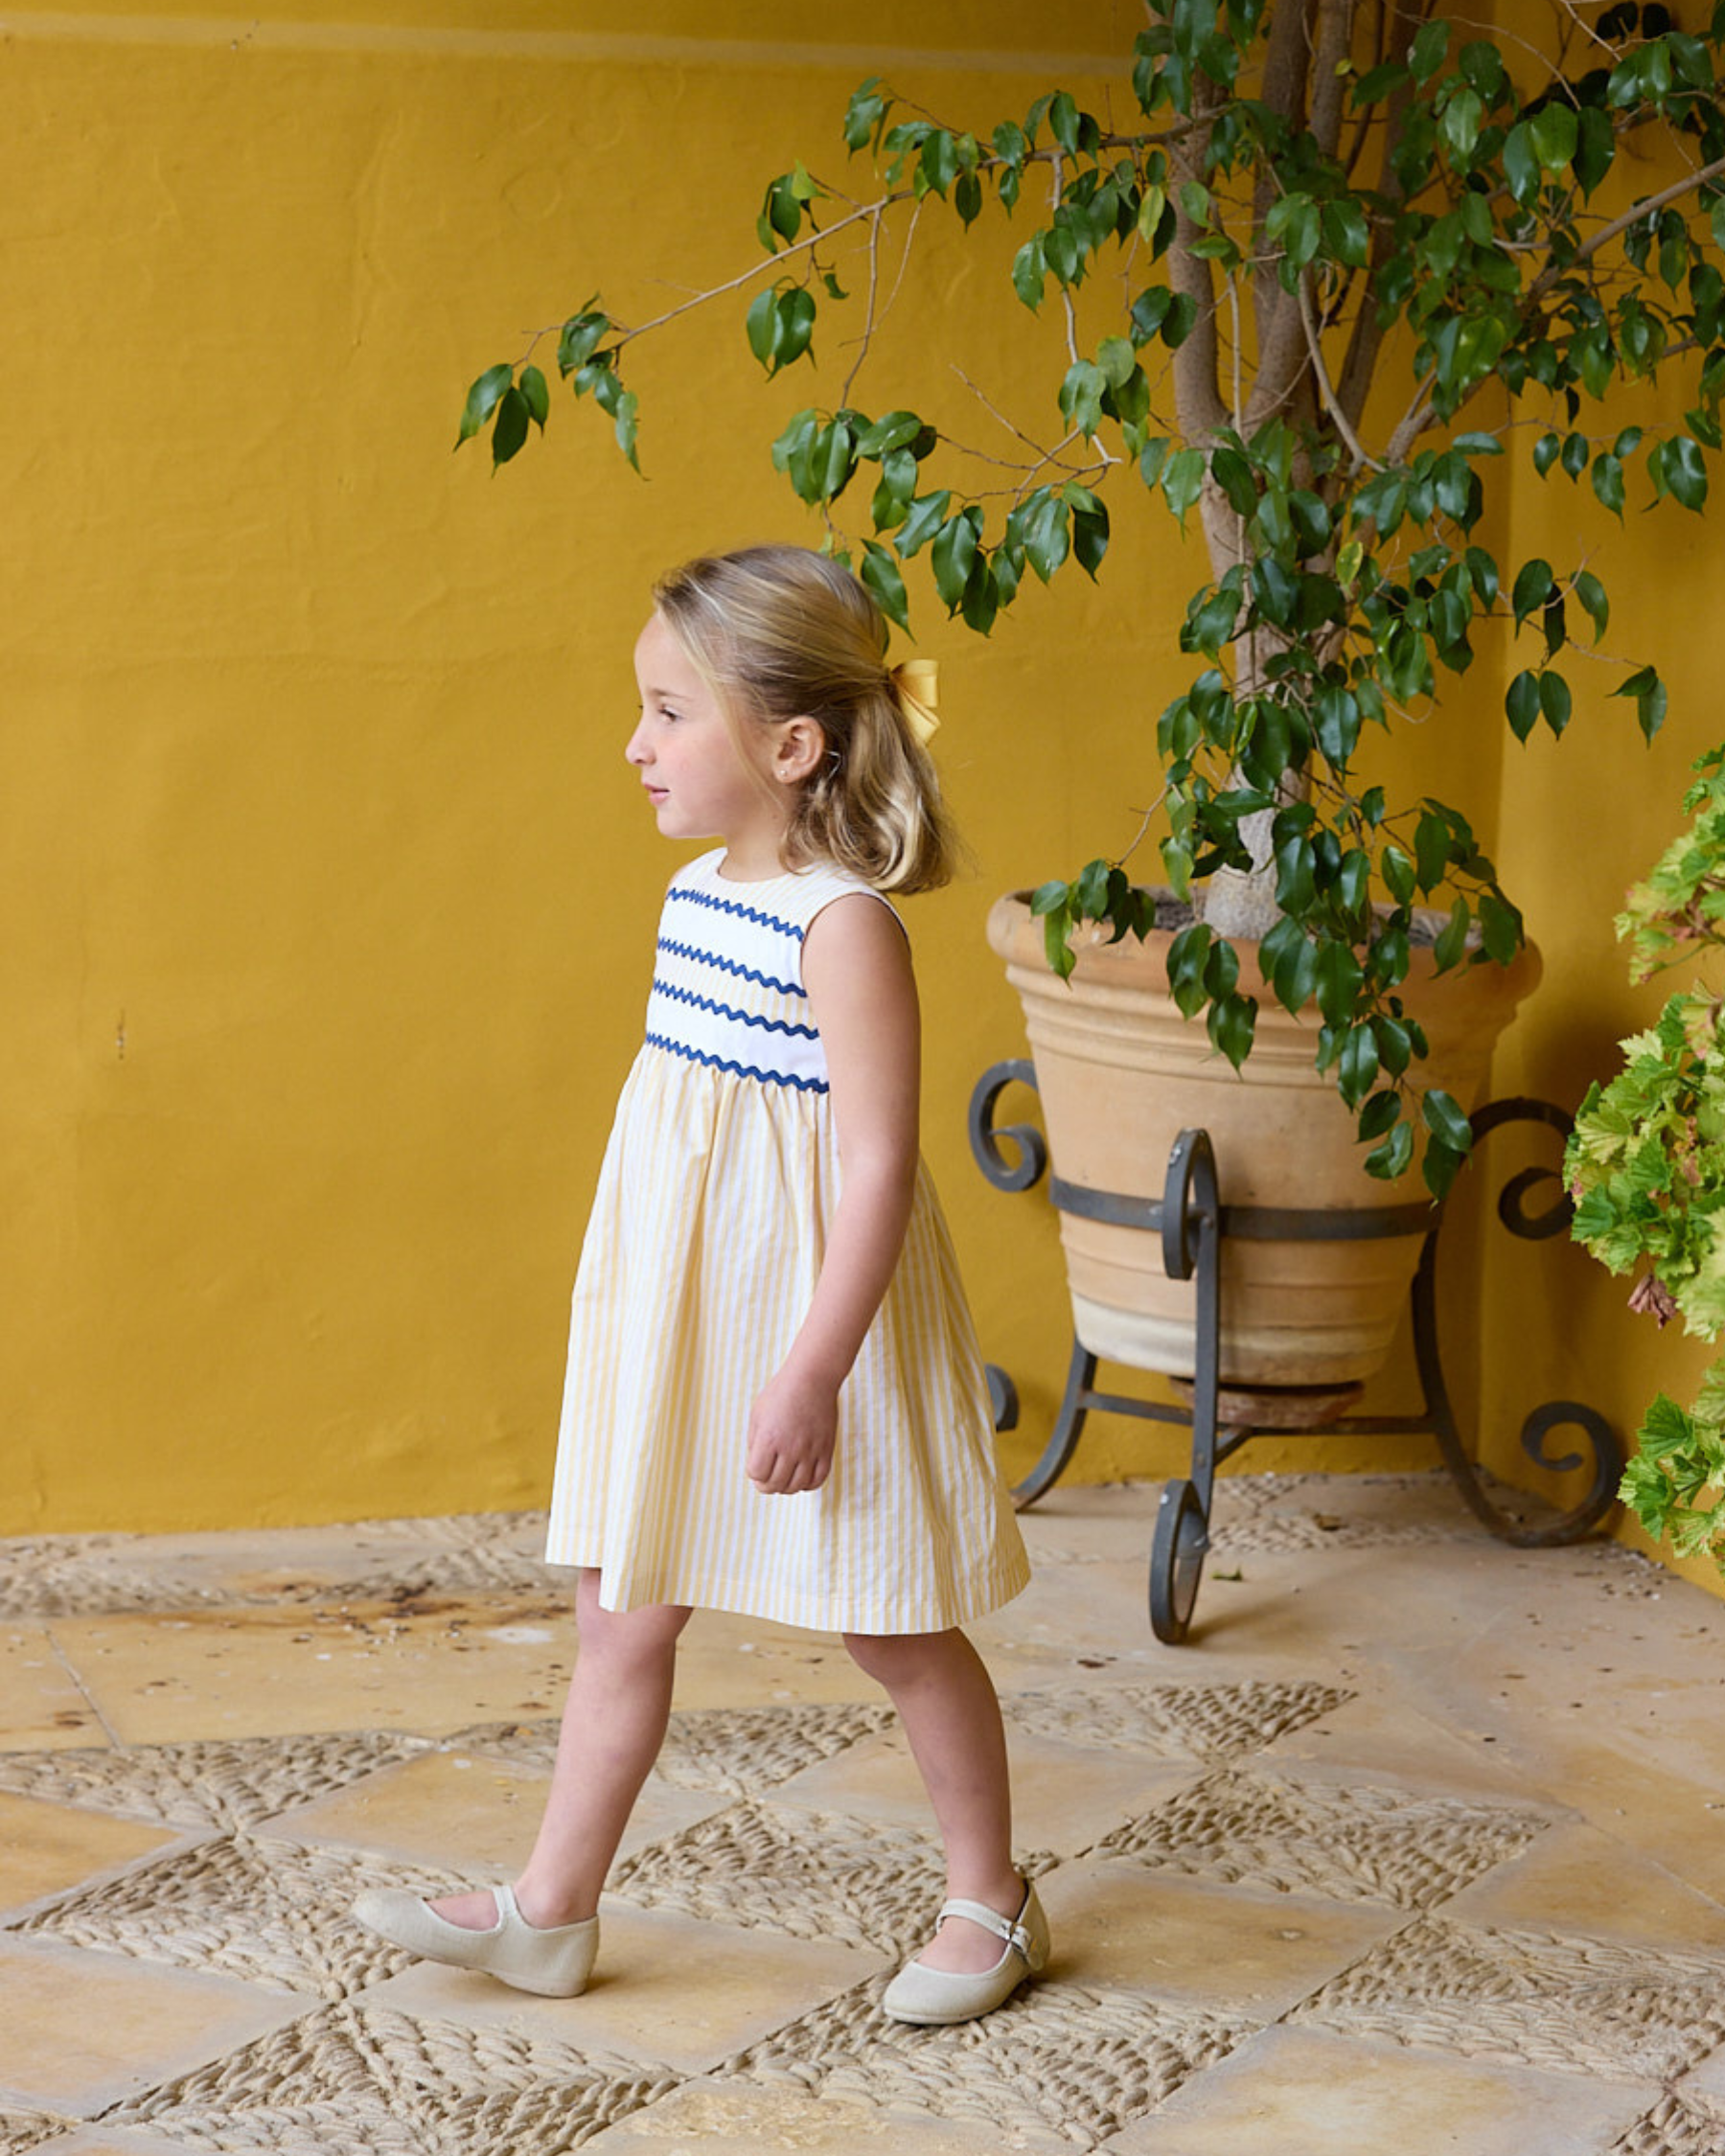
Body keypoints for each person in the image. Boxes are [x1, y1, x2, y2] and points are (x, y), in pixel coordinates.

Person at [354, 544, 1043, 2025]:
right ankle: (550, 1907)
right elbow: (685, 1129)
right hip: (686, 1312)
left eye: (668, 712)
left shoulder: (844, 924)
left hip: (814, 1322)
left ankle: (990, 1893)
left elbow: (871, 1169)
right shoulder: (692, 897)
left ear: (791, 748)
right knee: (623, 1606)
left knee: (891, 1616)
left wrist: (809, 1367)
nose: (634, 744)